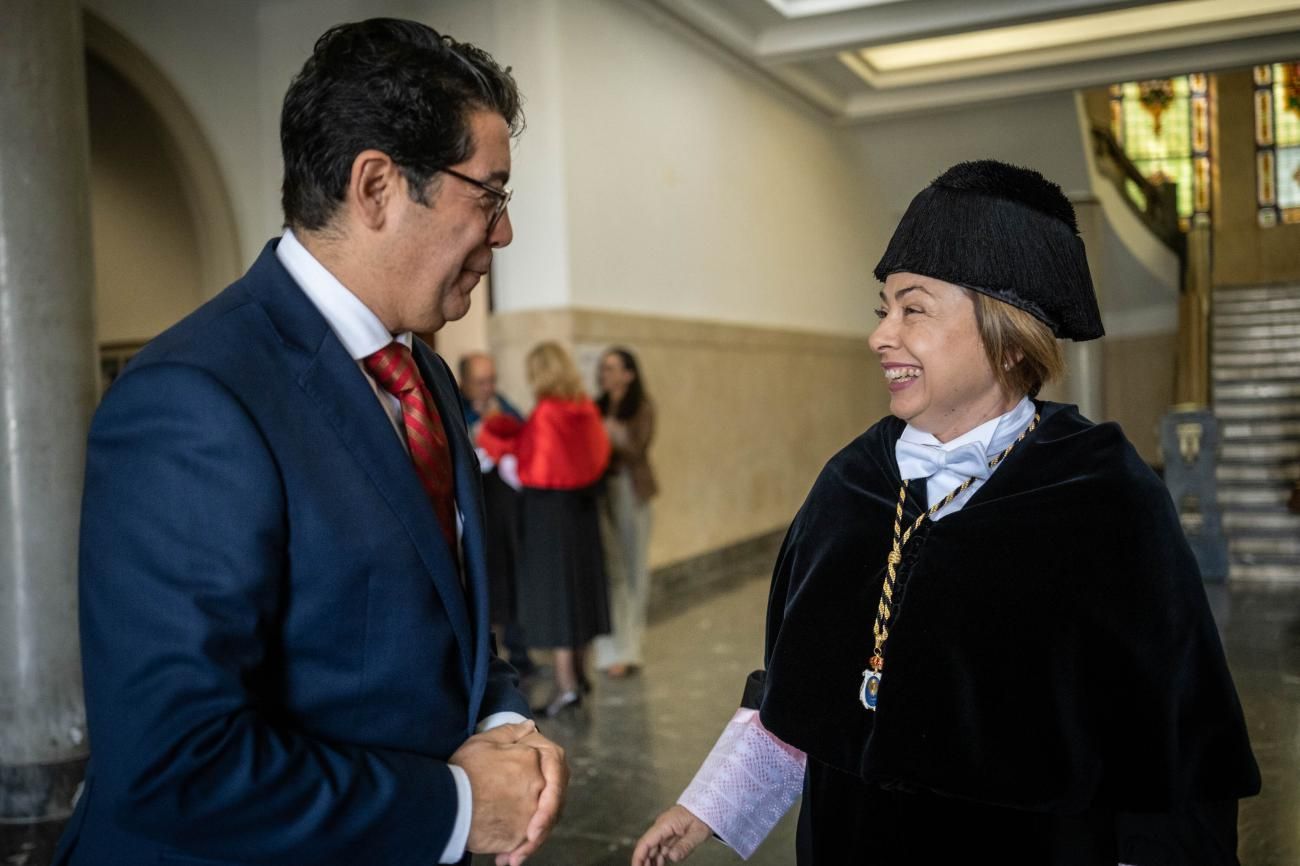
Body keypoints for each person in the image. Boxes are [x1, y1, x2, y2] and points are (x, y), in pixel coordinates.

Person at [633, 160, 1260, 866]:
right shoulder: (851, 484)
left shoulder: (1105, 499)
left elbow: (1171, 745)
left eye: (914, 308)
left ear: (1008, 335)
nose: (880, 336)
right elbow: (802, 689)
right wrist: (705, 806)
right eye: (883, 309)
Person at [55, 19, 567, 866]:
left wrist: (507, 729)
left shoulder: (423, 375)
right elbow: (174, 764)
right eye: (490, 195)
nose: (502, 233)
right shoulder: (195, 397)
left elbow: (449, 617)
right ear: (377, 187)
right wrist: (459, 805)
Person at [479, 342, 611, 717]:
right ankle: (580, 677)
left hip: (548, 519)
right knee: (580, 593)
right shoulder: (583, 408)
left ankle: (566, 686)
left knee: (558, 600)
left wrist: (498, 447)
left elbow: (529, 469)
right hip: (581, 514)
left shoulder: (546, 413)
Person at [459, 351, 537, 677]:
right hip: (476, 509)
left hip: (508, 509)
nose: (488, 388)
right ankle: (487, 659)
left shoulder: (501, 404)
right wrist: (476, 430)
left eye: (491, 380)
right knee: (485, 581)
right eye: (480, 382)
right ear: (464, 383)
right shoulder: (455, 405)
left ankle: (520, 651)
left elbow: (524, 433)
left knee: (515, 575)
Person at [592, 347, 659, 678]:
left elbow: (636, 449)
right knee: (610, 573)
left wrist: (611, 432)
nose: (605, 373)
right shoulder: (595, 405)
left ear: (628, 374)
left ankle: (630, 650)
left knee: (633, 572)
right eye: (603, 367)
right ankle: (609, 650)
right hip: (602, 493)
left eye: (612, 368)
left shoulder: (642, 408)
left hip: (631, 492)